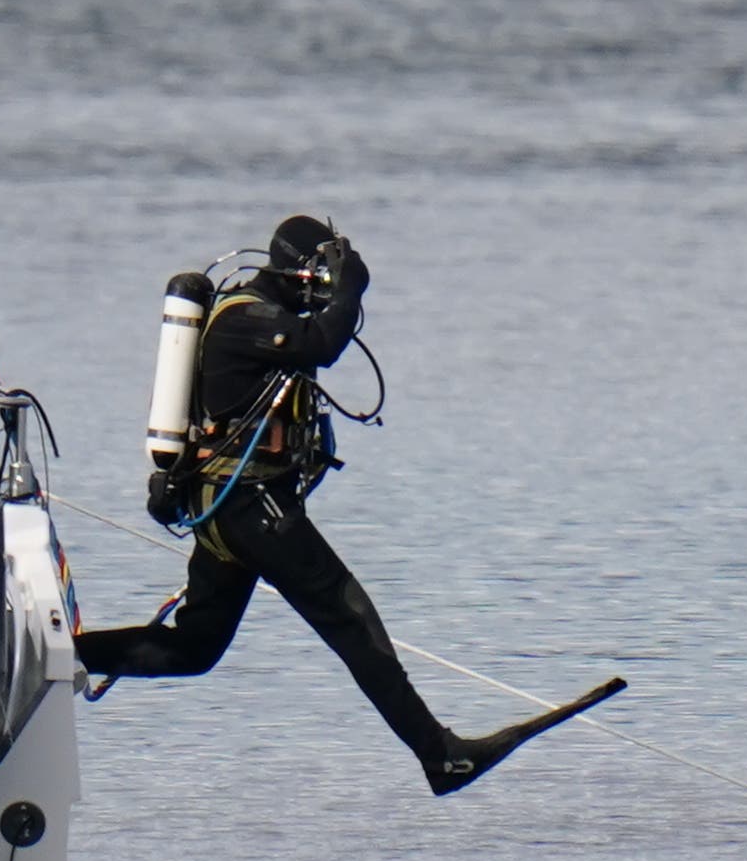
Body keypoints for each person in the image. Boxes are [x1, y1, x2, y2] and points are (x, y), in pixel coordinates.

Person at [77, 213, 621, 795]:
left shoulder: (271, 314)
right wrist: (354, 283)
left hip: (233, 507)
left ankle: (59, 658)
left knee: (195, 647)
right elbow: (324, 345)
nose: (329, 287)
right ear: (298, 271)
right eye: (324, 272)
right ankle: (440, 754)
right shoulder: (248, 317)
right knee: (351, 618)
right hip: (249, 507)